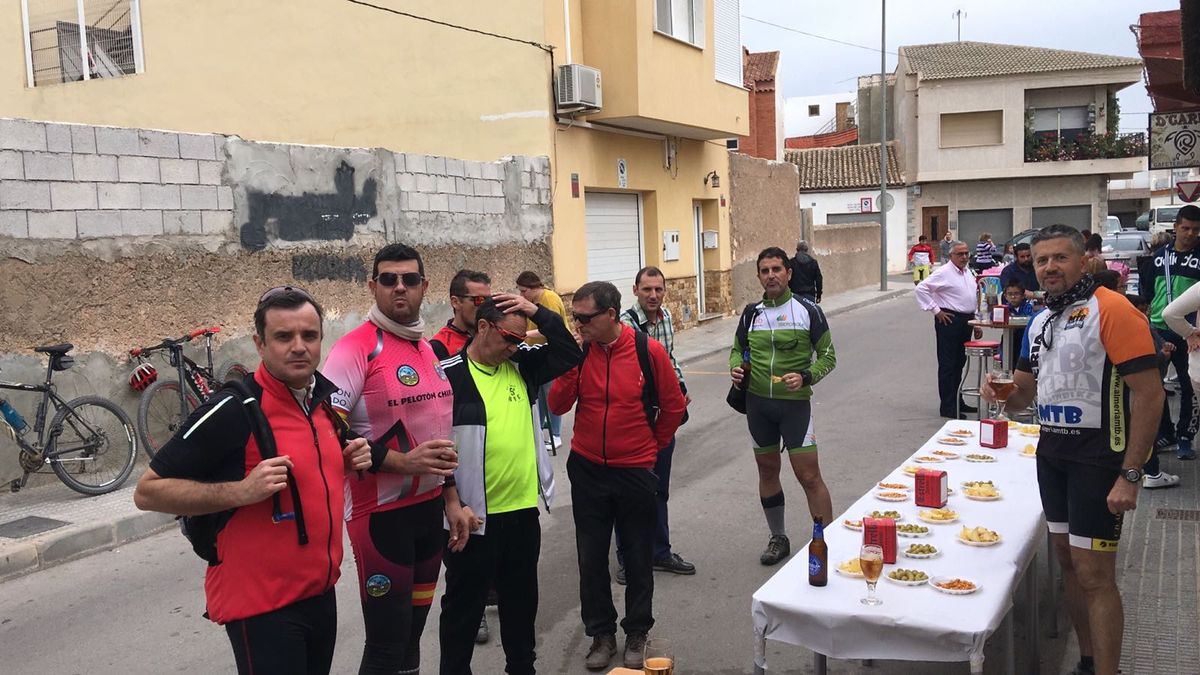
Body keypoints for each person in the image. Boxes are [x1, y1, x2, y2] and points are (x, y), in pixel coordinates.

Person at [133, 287, 375, 675]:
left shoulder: (320, 401)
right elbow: (148, 491)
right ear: (260, 344)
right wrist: (242, 491)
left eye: (309, 335)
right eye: (283, 336)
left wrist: (344, 462)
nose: (299, 347)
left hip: (319, 592)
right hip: (264, 607)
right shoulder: (233, 409)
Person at [982, 224, 1164, 675]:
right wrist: (1000, 392)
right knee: (1068, 563)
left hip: (1098, 459)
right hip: (1053, 456)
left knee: (1095, 575)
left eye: (1060, 258)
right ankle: (1087, 661)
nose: (1050, 267)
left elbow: (1150, 394)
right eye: (1042, 260)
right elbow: (1023, 395)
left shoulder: (1112, 309)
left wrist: (1131, 474)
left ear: (1083, 261)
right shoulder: (1041, 320)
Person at [324, 244, 464, 675]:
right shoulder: (355, 348)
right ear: (373, 286)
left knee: (412, 637)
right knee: (387, 644)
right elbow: (325, 428)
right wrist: (402, 463)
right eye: (388, 279)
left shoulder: (428, 349)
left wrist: (452, 500)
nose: (399, 287)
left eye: (409, 279)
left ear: (424, 286)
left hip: (428, 513)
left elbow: (438, 438)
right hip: (380, 517)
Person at [437, 294, 582, 675]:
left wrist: (537, 312)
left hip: (521, 513)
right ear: (483, 327)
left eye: (520, 339)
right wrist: (450, 501)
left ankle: (522, 668)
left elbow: (569, 352)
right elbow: (431, 444)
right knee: (463, 611)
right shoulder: (448, 375)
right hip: (473, 519)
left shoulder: (521, 365)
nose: (515, 346)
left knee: (521, 605)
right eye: (509, 338)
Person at [548, 281, 686, 672]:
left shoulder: (647, 351)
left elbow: (674, 406)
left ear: (610, 314)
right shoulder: (580, 353)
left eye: (585, 318)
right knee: (591, 557)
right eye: (574, 317)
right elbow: (557, 404)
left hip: (634, 470)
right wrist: (571, 364)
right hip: (588, 468)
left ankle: (638, 631)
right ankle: (601, 634)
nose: (578, 325)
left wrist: (651, 449)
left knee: (638, 555)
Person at [729, 247, 838, 566]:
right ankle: (778, 537)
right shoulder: (751, 313)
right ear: (759, 276)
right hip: (758, 406)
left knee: (809, 476)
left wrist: (806, 376)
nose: (771, 275)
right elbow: (736, 350)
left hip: (794, 408)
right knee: (767, 470)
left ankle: (827, 541)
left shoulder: (808, 310)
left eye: (776, 269)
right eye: (764, 271)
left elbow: (829, 356)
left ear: (788, 273)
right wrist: (735, 367)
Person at [614, 266, 695, 585]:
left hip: (662, 419)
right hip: (635, 421)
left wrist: (680, 388)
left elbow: (670, 359)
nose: (653, 295)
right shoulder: (623, 325)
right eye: (647, 289)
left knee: (659, 489)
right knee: (629, 493)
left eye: (658, 289)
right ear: (635, 290)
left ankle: (660, 552)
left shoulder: (666, 318)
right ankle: (626, 559)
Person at [1139, 204, 1200, 460]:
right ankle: (1166, 432)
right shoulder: (1158, 256)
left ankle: (1186, 435)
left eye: (1196, 229)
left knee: (1190, 385)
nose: (1190, 234)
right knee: (1155, 385)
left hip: (1190, 332)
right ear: (1175, 228)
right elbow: (1147, 292)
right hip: (1159, 328)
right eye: (1185, 228)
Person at [914, 240, 982, 419]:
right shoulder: (943, 272)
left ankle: (958, 401)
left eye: (966, 253)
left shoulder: (968, 272)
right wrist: (936, 311)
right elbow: (921, 289)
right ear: (951, 255)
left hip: (966, 320)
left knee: (960, 363)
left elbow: (971, 297)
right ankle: (948, 407)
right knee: (948, 365)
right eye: (960, 254)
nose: (964, 257)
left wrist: (976, 322)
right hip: (950, 320)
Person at [1131, 293, 1182, 489]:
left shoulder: (1146, 326)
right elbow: (1146, 360)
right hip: (1144, 386)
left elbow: (1159, 346)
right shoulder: (1138, 327)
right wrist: (1163, 355)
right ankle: (1151, 472)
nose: (1146, 314)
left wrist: (1165, 349)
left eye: (1147, 310)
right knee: (1145, 427)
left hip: (1149, 385)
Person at [516, 271, 570, 451]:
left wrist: (523, 335)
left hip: (551, 353)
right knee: (537, 395)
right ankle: (537, 432)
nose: (521, 294)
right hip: (536, 351)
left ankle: (555, 435)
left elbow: (552, 329)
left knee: (550, 395)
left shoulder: (549, 298)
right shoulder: (532, 301)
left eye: (524, 291)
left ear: (534, 288)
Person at [430, 269, 492, 359]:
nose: (485, 306)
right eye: (479, 300)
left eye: (489, 300)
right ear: (455, 302)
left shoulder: (492, 336)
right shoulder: (439, 346)